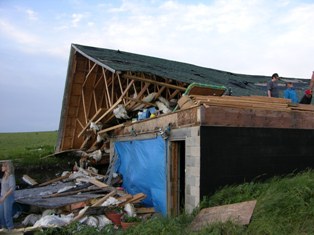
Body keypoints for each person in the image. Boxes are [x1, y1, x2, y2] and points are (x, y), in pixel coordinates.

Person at [0, 160, 16, 230]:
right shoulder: (4, 176)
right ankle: (4, 228)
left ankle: (10, 228)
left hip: (8, 197)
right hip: (2, 196)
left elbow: (12, 188)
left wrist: (4, 197)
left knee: (7, 215)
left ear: (7, 167)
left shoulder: (11, 176)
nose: (2, 167)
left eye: (3, 166)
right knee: (1, 215)